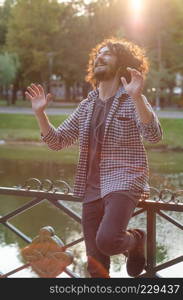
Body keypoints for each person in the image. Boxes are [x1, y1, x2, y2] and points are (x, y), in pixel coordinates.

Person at [25, 38, 163, 278]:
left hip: (124, 181)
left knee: (108, 241)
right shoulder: (87, 105)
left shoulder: (131, 97)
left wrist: (138, 97)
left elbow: (153, 135)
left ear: (122, 63)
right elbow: (57, 141)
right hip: (91, 188)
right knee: (95, 265)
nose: (100, 56)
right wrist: (40, 114)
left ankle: (136, 239)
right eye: (98, 53)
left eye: (107, 53)